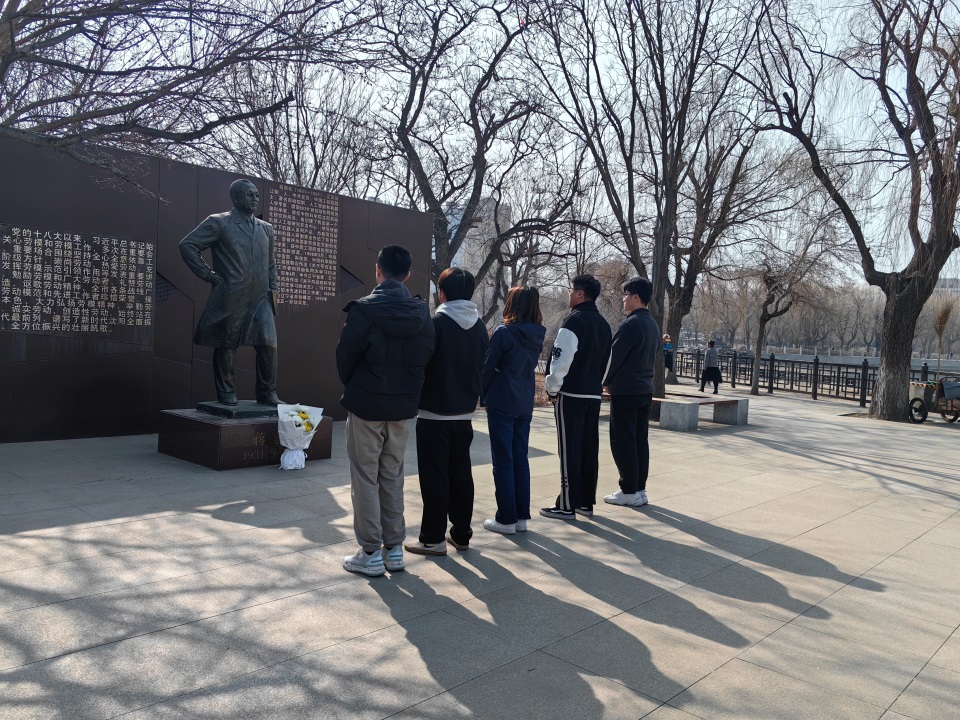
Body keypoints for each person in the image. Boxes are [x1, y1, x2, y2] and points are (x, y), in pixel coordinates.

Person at [336, 245, 436, 577]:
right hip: (403, 406)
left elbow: (345, 357)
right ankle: (393, 549)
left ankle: (370, 552)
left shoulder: (364, 310)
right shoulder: (422, 313)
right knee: (392, 474)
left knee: (365, 476)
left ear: (377, 270)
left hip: (366, 403)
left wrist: (357, 385)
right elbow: (427, 354)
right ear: (407, 276)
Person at [406, 268, 489, 556]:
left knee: (435, 477)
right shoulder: (479, 328)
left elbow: (419, 364)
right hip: (464, 413)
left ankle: (432, 538)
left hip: (433, 412)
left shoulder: (435, 324)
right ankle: (462, 534)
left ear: (441, 293)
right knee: (461, 474)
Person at [179, 179, 282, 406]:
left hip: (261, 297)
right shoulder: (219, 222)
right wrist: (208, 274)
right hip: (232, 294)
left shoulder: (266, 228)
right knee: (227, 343)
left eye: (256, 195)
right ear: (235, 198)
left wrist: (273, 290)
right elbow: (188, 245)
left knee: (268, 345)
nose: (254, 198)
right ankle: (226, 391)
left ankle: (267, 392)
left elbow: (271, 265)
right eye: (248, 194)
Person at [540, 274, 612, 520]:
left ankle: (567, 504)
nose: (569, 294)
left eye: (572, 290)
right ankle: (584, 502)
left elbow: (561, 360)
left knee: (569, 449)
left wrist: (552, 388)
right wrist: (597, 384)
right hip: (593, 394)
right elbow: (608, 362)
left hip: (571, 394)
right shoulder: (603, 324)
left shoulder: (573, 320)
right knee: (589, 449)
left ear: (580, 294)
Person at [480, 286, 546, 535]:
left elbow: (487, 368)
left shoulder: (504, 333)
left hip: (502, 400)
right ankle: (520, 517)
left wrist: (483, 396)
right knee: (520, 459)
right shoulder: (538, 334)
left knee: (503, 461)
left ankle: (506, 518)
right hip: (524, 401)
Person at [603, 277, 660, 508]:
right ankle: (639, 489)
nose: (623, 299)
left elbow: (613, 357)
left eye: (625, 295)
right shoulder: (652, 324)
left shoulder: (631, 324)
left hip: (626, 390)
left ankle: (628, 490)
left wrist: (604, 381)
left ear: (636, 297)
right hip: (644, 389)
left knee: (623, 441)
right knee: (639, 440)